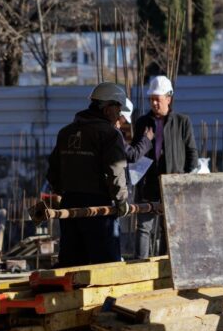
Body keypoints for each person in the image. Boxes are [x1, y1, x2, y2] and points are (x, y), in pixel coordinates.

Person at [46, 82, 130, 267]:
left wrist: (64, 191)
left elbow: (53, 170)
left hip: (70, 207)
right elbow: (115, 171)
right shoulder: (110, 134)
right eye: (118, 108)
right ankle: (107, 298)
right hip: (98, 209)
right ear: (107, 108)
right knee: (105, 265)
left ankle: (71, 295)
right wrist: (122, 200)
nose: (119, 114)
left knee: (72, 264)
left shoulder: (66, 132)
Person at [131, 75, 198, 258]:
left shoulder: (181, 122)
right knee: (144, 227)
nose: (153, 103)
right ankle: (140, 266)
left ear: (168, 98)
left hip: (172, 183)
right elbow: (136, 154)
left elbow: (191, 151)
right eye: (151, 99)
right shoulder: (142, 123)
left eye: (157, 99)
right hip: (148, 182)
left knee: (168, 228)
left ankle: (165, 265)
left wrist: (186, 177)